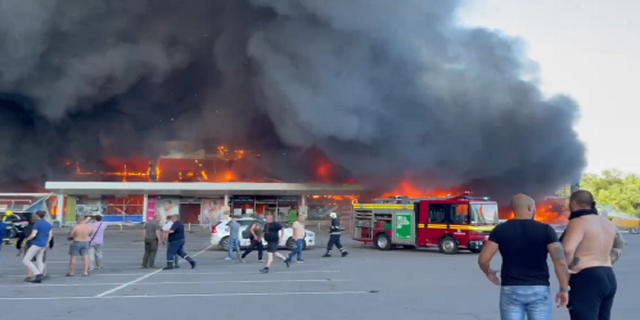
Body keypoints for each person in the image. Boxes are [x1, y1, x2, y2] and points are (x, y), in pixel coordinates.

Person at [478, 194, 570, 320]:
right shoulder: (545, 230)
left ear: (513, 210)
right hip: (539, 288)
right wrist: (563, 289)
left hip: (511, 289)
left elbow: (483, 259)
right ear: (530, 208)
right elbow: (560, 262)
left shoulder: (500, 230)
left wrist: (488, 272)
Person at [561, 190, 623, 320]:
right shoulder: (608, 223)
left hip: (587, 278)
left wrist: (570, 269)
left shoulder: (578, 222)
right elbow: (619, 245)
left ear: (573, 203)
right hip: (608, 275)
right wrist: (609, 260)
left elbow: (567, 249)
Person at [22, 211, 52, 283]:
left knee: (26, 260)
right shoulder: (48, 224)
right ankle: (40, 274)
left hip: (36, 244)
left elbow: (33, 234)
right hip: (43, 244)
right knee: (39, 260)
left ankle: (37, 273)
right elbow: (50, 235)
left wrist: (27, 239)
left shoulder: (37, 224)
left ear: (37, 215)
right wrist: (47, 243)